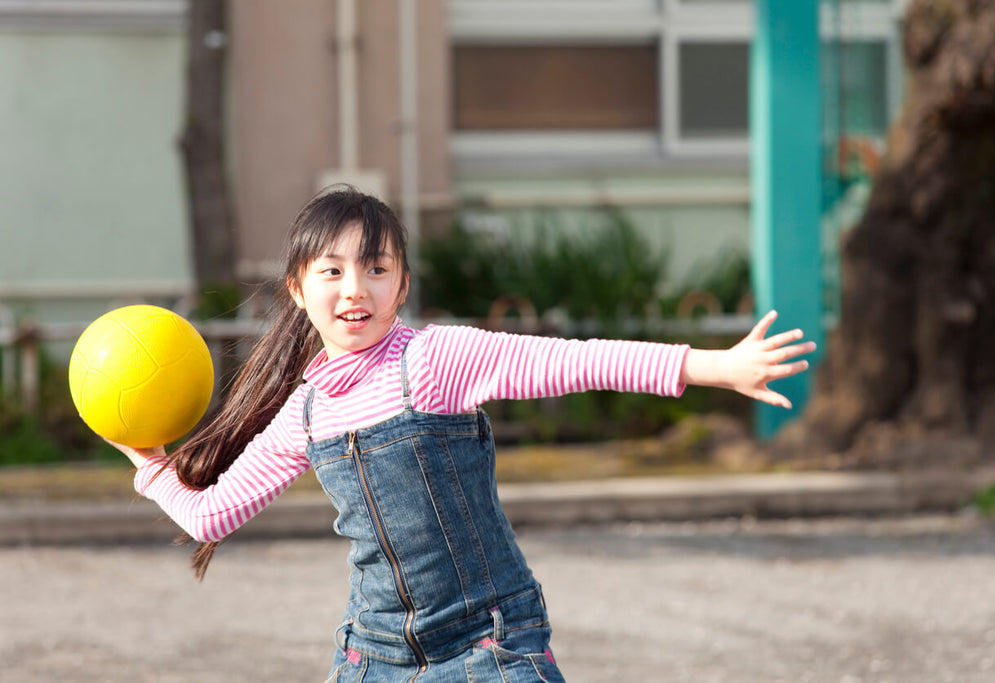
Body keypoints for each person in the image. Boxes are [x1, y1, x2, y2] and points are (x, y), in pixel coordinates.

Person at [109, 187, 816, 682]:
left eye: (376, 269)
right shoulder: (307, 409)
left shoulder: (435, 360)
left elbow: (575, 360)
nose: (355, 288)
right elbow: (212, 512)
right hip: (374, 654)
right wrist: (149, 464)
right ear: (298, 288)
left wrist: (716, 365)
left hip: (489, 641)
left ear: (402, 284)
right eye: (332, 271)